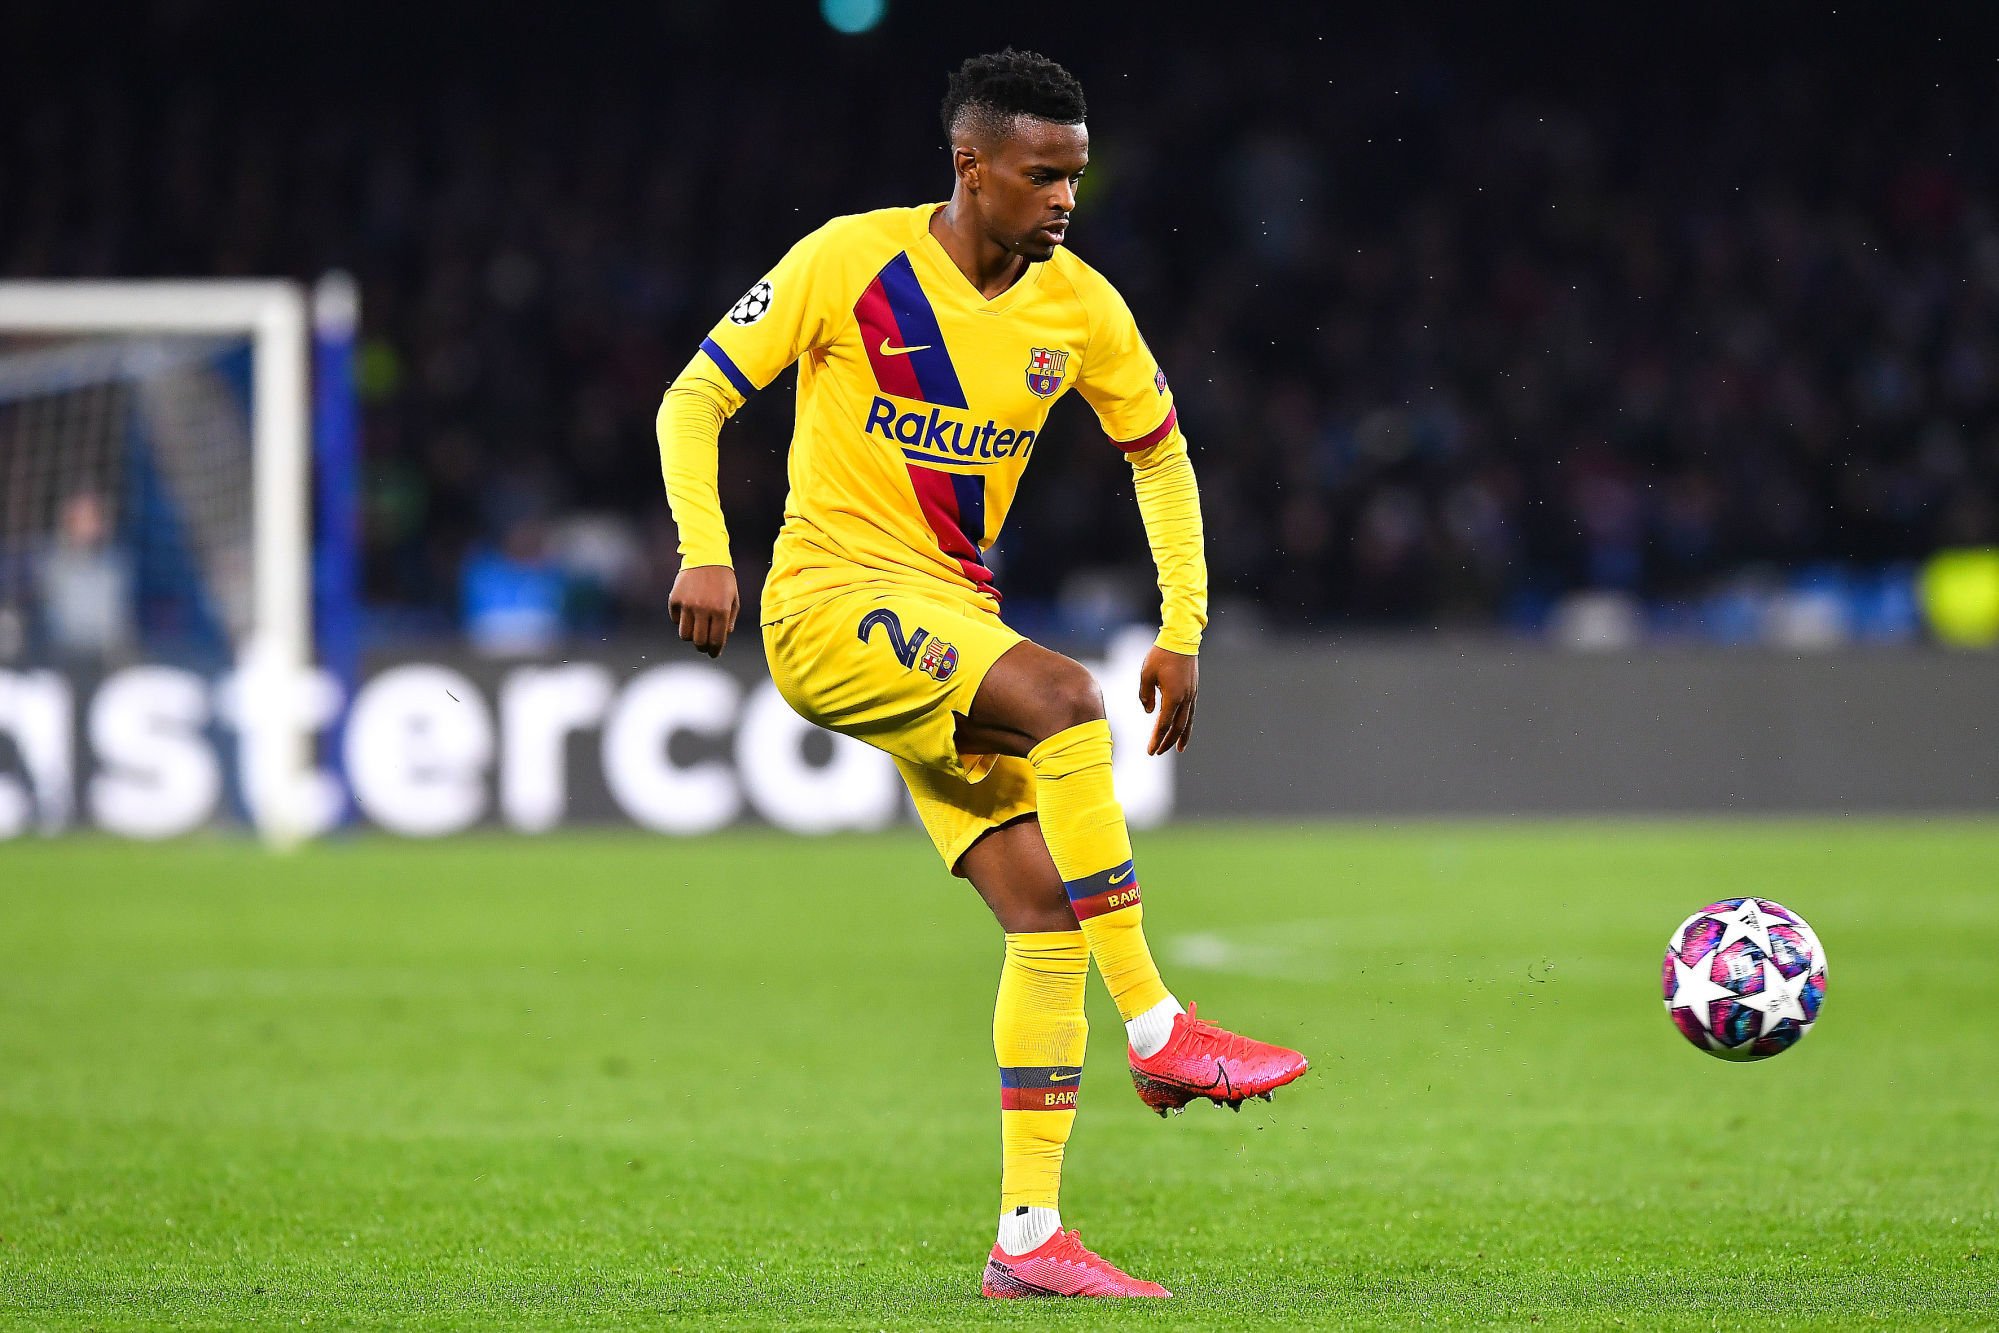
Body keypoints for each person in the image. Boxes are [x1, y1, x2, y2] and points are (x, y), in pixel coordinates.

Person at [656, 48, 1306, 1300]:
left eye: (1077, 175)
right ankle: (1161, 1029)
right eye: (1041, 175)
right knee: (1065, 697)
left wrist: (1185, 625)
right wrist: (705, 549)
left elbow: (1159, 459)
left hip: (944, 613)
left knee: (1044, 913)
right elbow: (694, 400)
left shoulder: (1082, 308)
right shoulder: (849, 260)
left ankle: (1027, 1235)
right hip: (827, 602)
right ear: (970, 165)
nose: (1066, 198)